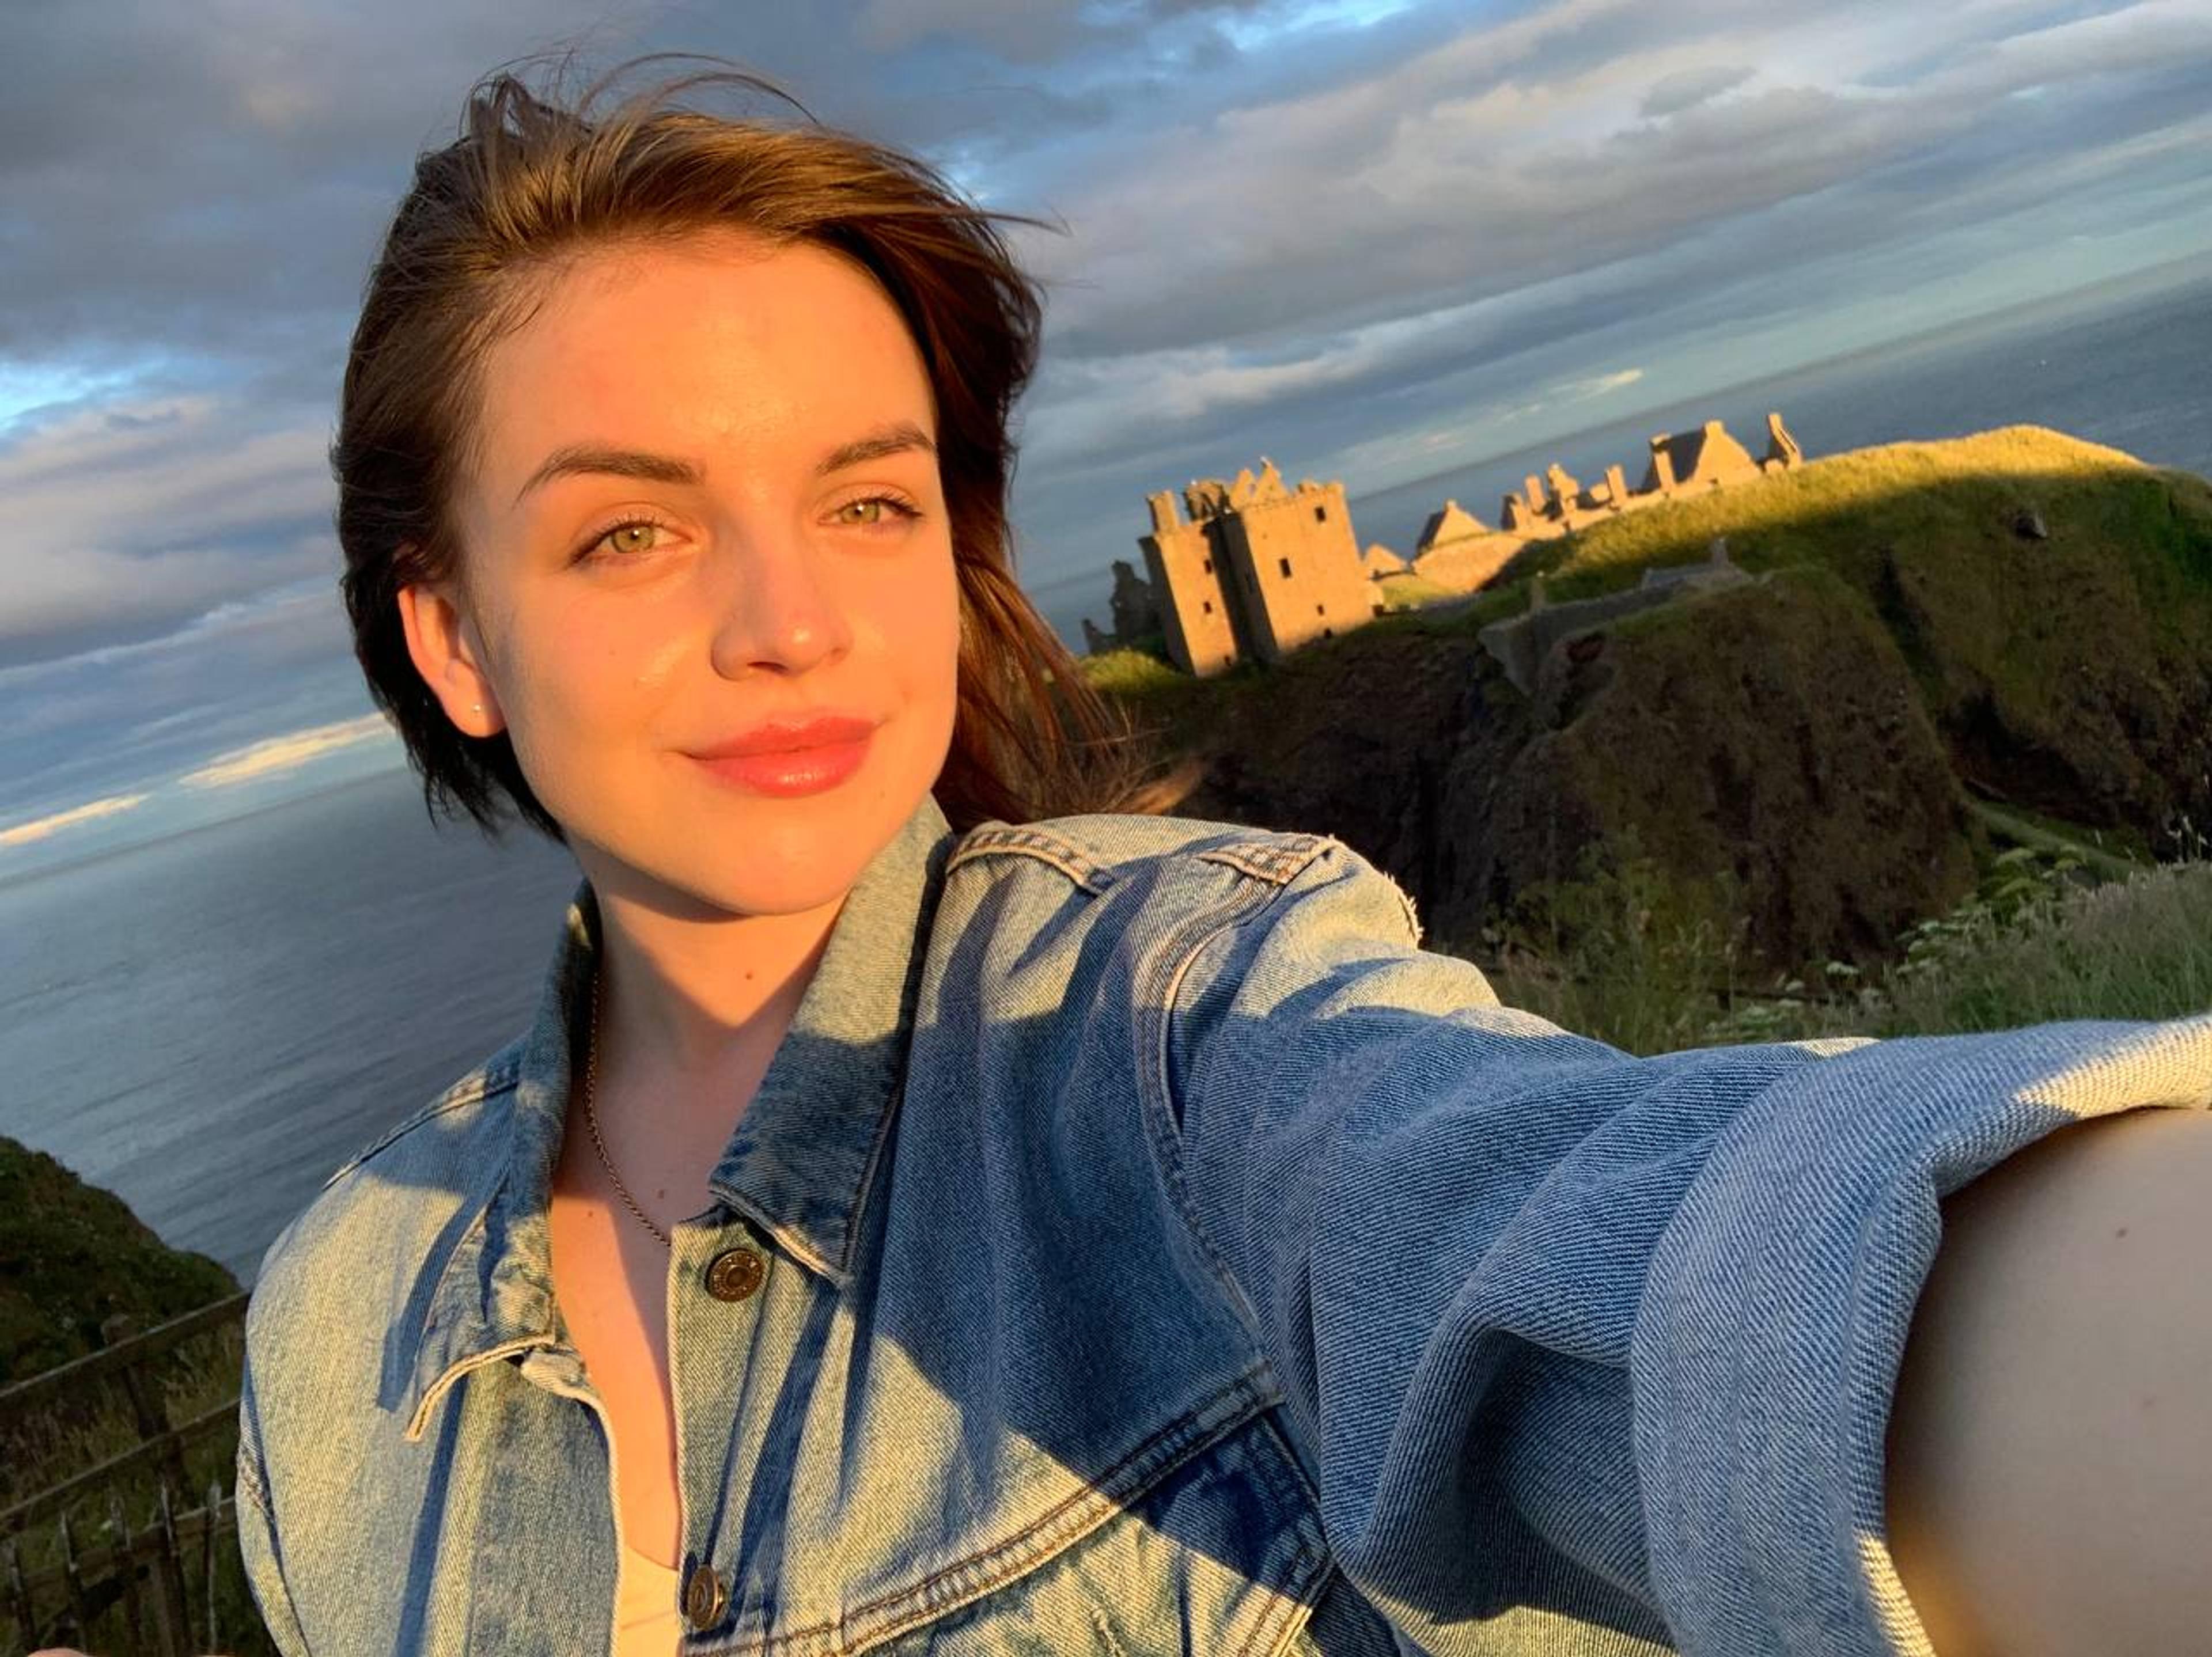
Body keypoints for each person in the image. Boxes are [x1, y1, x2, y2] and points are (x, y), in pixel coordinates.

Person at [169, 56, 2212, 1657]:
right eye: (632, 528)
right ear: (450, 633)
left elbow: (1581, 1232)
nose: (791, 618)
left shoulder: (1170, 1011)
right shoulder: (338, 1327)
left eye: (873, 504)